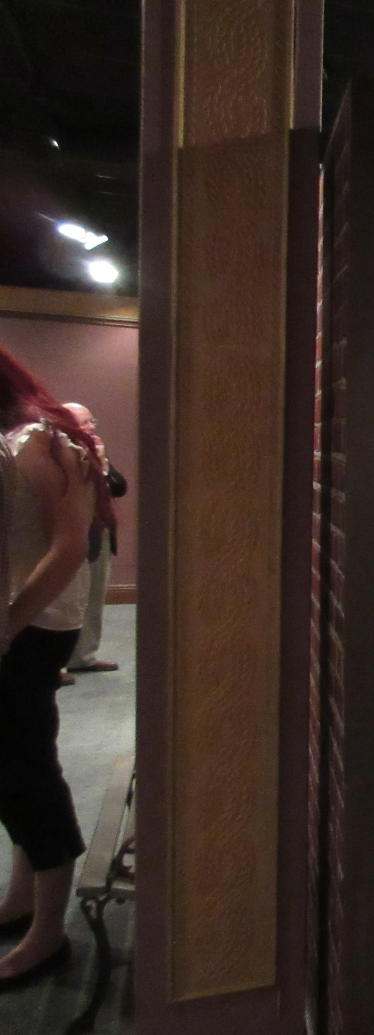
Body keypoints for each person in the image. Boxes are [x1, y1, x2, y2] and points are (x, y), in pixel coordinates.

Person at [0, 345, 110, 990]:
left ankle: (48, 931)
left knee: (26, 767)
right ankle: (23, 898)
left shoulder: (42, 437)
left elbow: (70, 545)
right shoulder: (23, 436)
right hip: (21, 620)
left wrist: (12, 618)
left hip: (33, 626)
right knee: (13, 768)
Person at [61, 402, 127, 676]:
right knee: (68, 601)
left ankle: (84, 657)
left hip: (98, 533)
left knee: (94, 597)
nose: (89, 428)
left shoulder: (97, 450)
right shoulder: (58, 452)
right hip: (71, 535)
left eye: (91, 421)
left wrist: (104, 464)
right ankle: (58, 663)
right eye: (83, 423)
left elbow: (120, 486)